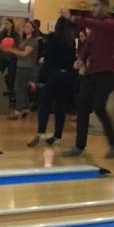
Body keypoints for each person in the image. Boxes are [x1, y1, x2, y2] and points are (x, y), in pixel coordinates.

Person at [60, 0, 114, 159]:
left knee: (99, 107)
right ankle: (79, 146)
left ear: (106, 7)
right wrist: (81, 58)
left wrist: (72, 18)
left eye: (96, 5)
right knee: (82, 108)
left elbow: (94, 24)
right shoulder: (95, 29)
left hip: (106, 72)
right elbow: (88, 45)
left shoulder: (110, 24)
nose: (92, 8)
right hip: (91, 71)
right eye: (91, 5)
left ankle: (113, 143)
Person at [28, 17, 76, 148]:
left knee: (44, 103)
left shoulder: (53, 38)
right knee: (60, 106)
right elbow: (72, 60)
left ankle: (41, 133)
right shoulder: (71, 40)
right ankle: (57, 137)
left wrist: (42, 76)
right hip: (66, 76)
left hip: (53, 75)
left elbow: (48, 58)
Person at [9, 20, 41, 119]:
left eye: (28, 26)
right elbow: (20, 51)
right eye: (25, 26)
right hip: (21, 65)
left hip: (26, 66)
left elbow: (25, 54)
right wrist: (13, 49)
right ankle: (26, 108)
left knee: (19, 88)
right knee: (23, 88)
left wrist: (12, 50)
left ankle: (18, 110)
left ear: (33, 29)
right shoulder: (25, 39)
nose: (25, 28)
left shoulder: (33, 40)